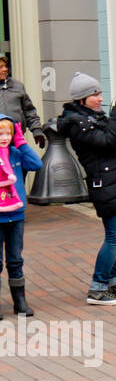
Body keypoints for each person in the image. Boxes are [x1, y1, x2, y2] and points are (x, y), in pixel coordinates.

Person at [56, 74, 116, 306]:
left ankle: (110, 283)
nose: (99, 98)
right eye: (95, 95)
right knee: (115, 237)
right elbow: (108, 142)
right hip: (105, 185)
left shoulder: (93, 117)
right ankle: (97, 288)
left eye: (99, 93)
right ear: (82, 98)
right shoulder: (77, 123)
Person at [0, 116, 42, 316]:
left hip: (16, 214)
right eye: (0, 134)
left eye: (8, 133)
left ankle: (20, 303)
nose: (4, 137)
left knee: (15, 259)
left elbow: (36, 164)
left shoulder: (16, 154)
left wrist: (21, 142)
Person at [0, 56, 45, 147]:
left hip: (17, 139)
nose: (5, 69)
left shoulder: (17, 86)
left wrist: (37, 130)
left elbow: (29, 111)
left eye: (5, 66)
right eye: (0, 67)